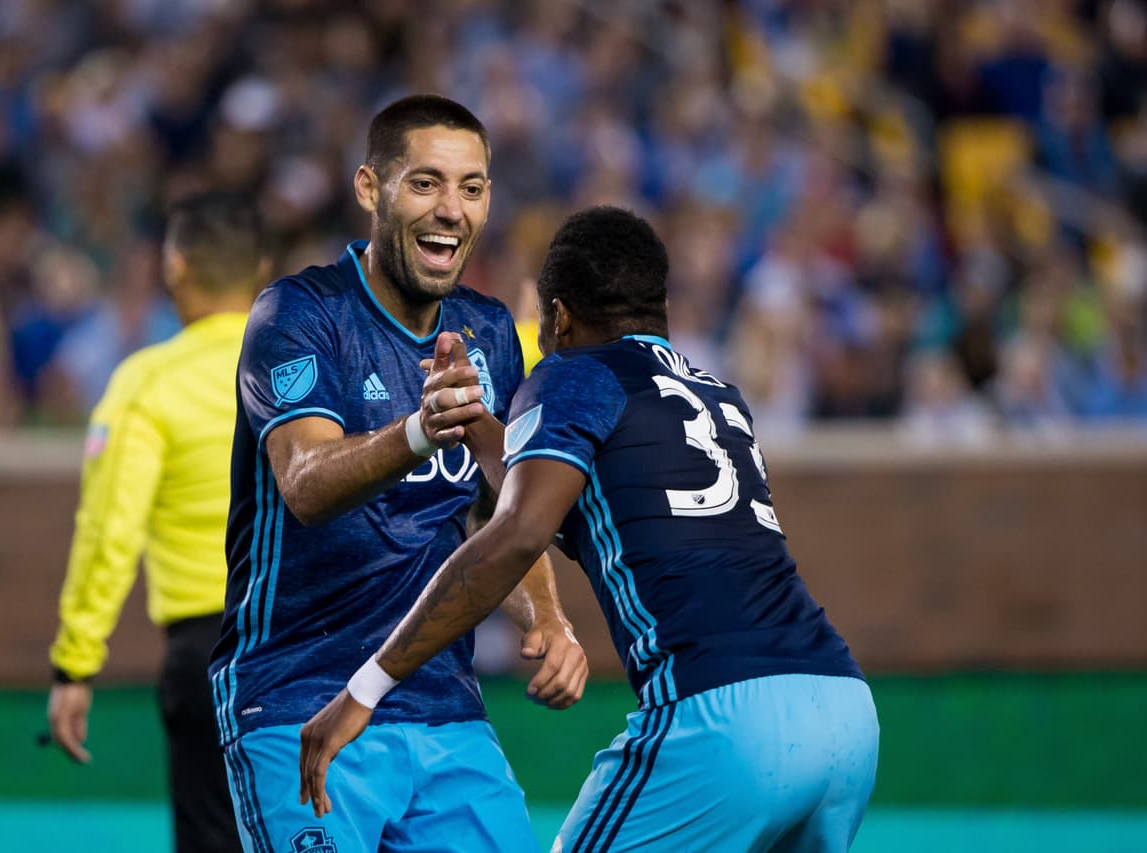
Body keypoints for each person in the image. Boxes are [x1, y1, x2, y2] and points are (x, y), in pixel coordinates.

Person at [299, 206, 881, 852]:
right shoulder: (719, 394)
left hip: (723, 720)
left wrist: (368, 685)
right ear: (658, 303)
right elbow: (573, 498)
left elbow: (518, 530)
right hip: (843, 711)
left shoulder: (575, 374)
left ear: (559, 316)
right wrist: (470, 419)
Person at [209, 94, 588, 853]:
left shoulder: (487, 334)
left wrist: (546, 614)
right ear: (369, 189)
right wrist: (418, 430)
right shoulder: (298, 315)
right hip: (299, 694)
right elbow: (306, 484)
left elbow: (496, 517)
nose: (452, 209)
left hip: (443, 707)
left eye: (472, 188)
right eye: (425, 183)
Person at [47, 191, 266, 853]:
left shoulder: (146, 384)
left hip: (208, 650)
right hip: (325, 641)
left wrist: (74, 663)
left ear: (175, 269)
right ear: (261, 269)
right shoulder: (317, 369)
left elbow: (108, 531)